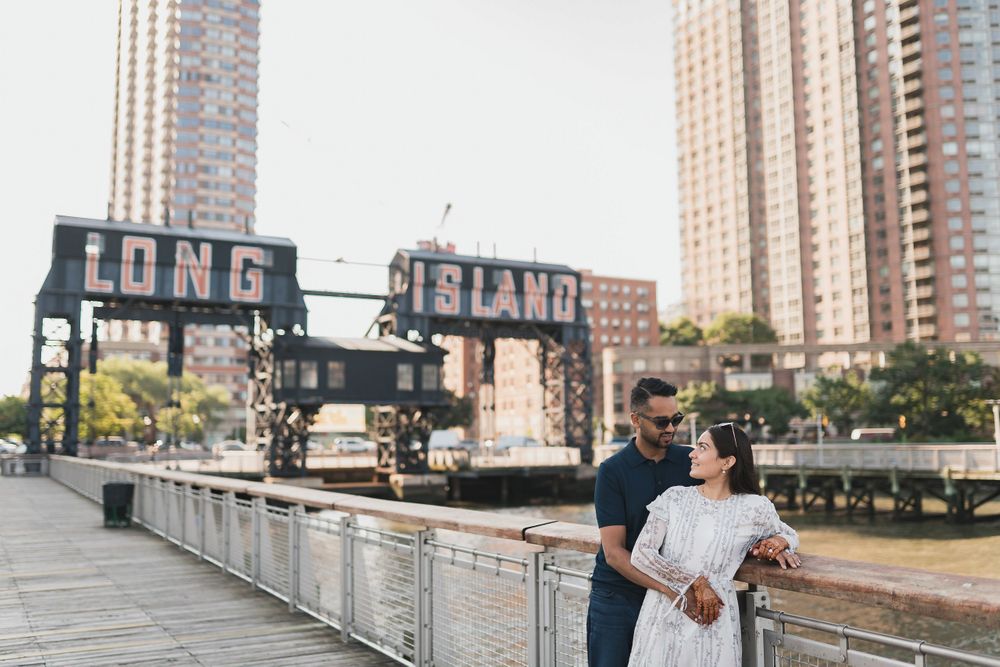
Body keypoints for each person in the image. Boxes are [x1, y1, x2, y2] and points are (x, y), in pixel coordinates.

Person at [626, 422, 801, 667]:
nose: (692, 454)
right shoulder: (675, 498)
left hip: (713, 618)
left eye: (702, 447)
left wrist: (778, 543)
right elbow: (641, 554)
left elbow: (790, 534)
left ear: (727, 462)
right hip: (664, 611)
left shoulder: (754, 507)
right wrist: (696, 582)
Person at [586, 377, 698, 667]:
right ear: (636, 419)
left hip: (677, 593)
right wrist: (670, 588)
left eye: (676, 419)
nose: (671, 428)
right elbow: (614, 553)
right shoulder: (612, 471)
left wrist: (773, 541)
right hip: (619, 596)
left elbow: (733, 508)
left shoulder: (693, 462)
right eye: (661, 422)